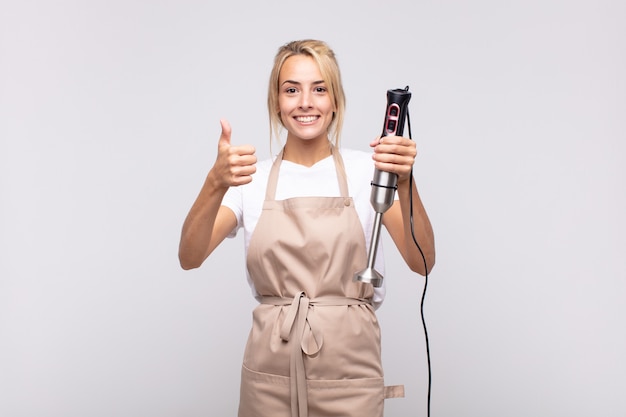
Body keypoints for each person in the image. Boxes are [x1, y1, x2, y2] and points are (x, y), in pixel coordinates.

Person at [178, 39, 435, 417]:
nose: (305, 102)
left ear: (335, 100)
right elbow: (190, 256)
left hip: (351, 372)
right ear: (276, 102)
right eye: (291, 90)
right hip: (271, 371)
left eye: (319, 89)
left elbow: (423, 261)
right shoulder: (251, 179)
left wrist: (405, 181)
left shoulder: (370, 171)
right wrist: (214, 183)